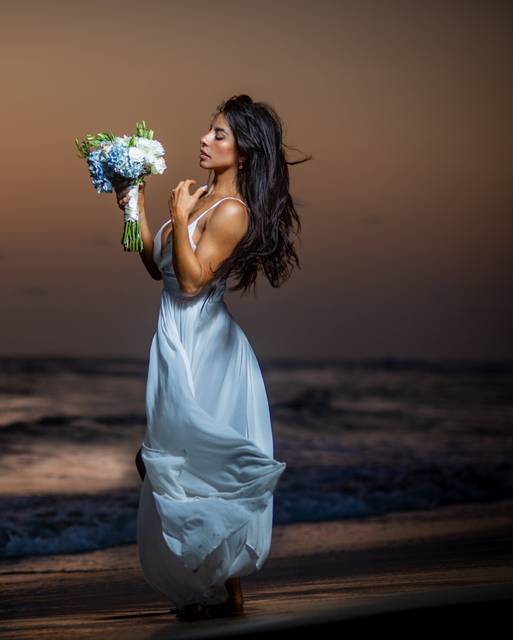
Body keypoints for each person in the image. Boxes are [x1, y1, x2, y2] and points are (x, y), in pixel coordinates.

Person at [114, 94, 309, 621]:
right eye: (209, 131)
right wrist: (131, 203)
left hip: (208, 345)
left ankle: (224, 588)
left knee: (183, 460)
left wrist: (178, 217)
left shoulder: (231, 211)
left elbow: (196, 280)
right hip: (177, 338)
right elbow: (162, 270)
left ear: (244, 153)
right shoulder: (197, 196)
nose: (205, 139)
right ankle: (218, 589)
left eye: (219, 134)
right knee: (170, 461)